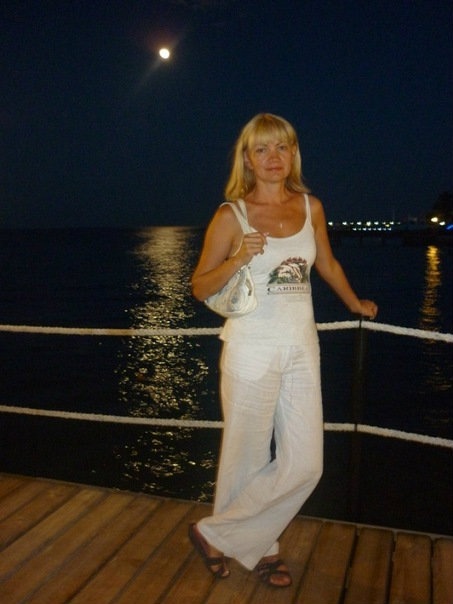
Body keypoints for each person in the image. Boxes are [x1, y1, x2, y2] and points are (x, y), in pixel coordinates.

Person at [189, 113, 378, 587]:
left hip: (301, 349)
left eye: (282, 147)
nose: (273, 158)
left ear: (293, 154)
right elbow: (200, 286)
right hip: (250, 349)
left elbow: (327, 263)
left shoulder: (311, 207)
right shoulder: (230, 215)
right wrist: (239, 257)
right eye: (262, 149)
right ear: (248, 159)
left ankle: (216, 534)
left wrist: (354, 303)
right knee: (246, 456)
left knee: (306, 463)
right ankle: (263, 548)